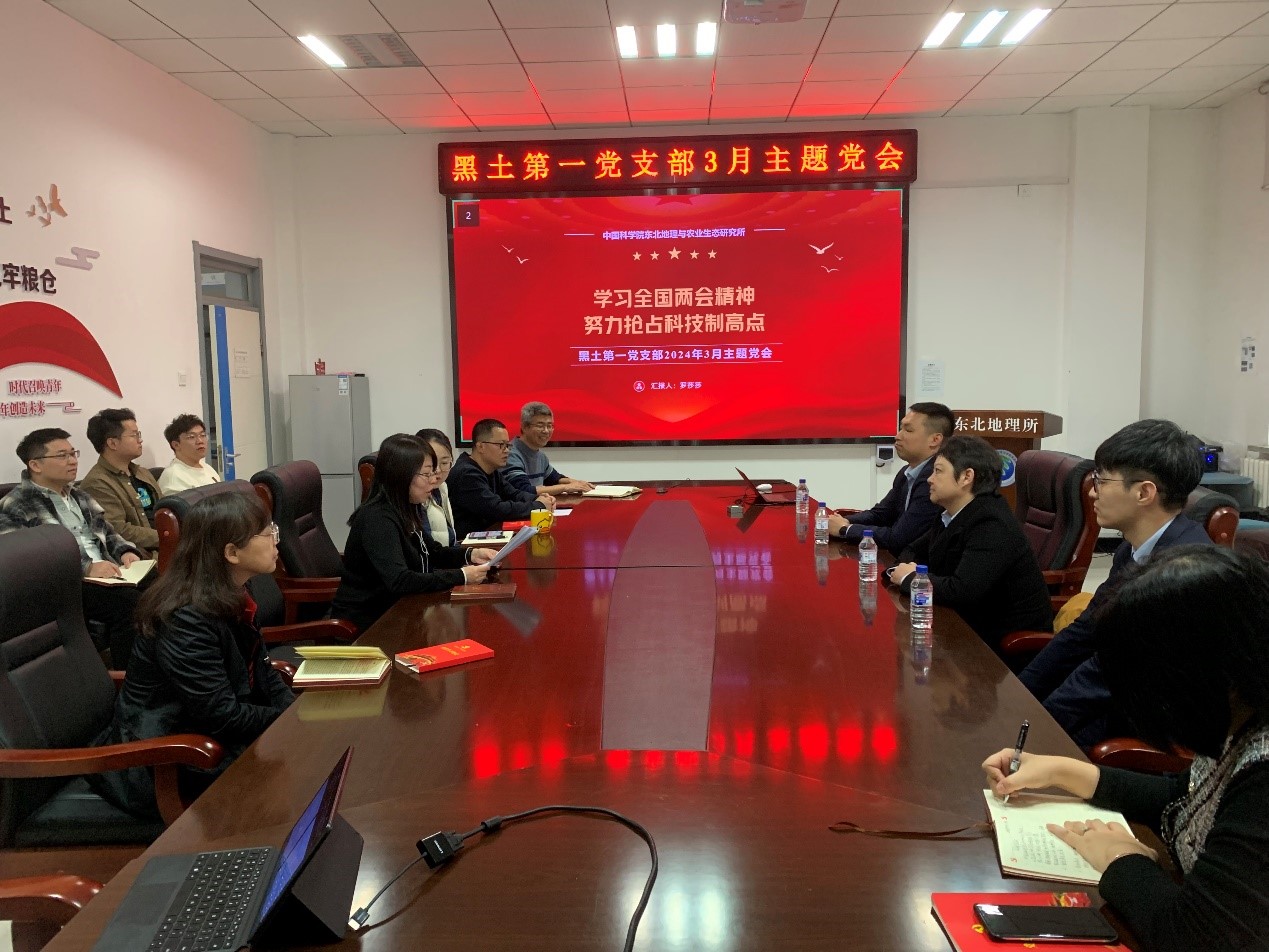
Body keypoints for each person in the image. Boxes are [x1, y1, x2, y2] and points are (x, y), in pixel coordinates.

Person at [983, 546, 1269, 951]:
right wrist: (1063, 772)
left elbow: (1195, 936)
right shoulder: (1242, 709)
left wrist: (1119, 857)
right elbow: (1187, 797)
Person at [88, 491, 295, 821]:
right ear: (231, 552)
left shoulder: (233, 589)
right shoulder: (185, 617)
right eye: (267, 533)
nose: (276, 541)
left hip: (212, 737)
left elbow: (262, 668)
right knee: (293, 795)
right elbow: (221, 715)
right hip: (167, 758)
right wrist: (290, 721)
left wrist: (294, 713)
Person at [1019, 419, 1208, 746]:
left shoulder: (1181, 571)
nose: (1092, 491)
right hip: (1120, 698)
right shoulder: (1130, 550)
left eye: (1102, 480)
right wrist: (1020, 695)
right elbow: (1085, 632)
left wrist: (1036, 728)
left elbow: (1109, 670)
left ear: (1144, 492)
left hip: (1158, 725)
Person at [889, 434, 1053, 648]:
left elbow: (961, 591)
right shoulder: (950, 513)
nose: (929, 479)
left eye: (938, 471)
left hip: (1003, 647)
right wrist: (908, 570)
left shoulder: (991, 523)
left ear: (967, 477)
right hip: (963, 626)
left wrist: (909, 578)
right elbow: (912, 549)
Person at [0, 427, 144, 666]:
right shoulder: (15, 504)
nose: (73, 461)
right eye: (62, 456)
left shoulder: (80, 495)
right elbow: (23, 562)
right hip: (68, 584)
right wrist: (86, 568)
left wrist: (125, 551)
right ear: (35, 465)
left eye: (73, 453)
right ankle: (129, 677)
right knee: (129, 604)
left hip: (110, 573)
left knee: (165, 589)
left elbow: (108, 532)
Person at [333, 434, 497, 631]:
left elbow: (432, 552)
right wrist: (461, 576)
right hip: (371, 623)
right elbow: (400, 581)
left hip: (403, 610)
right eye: (426, 474)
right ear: (401, 476)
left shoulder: (406, 507)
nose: (434, 480)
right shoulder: (377, 519)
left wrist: (471, 554)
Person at [828, 402, 954, 556]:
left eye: (908, 430)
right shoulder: (907, 472)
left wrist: (845, 529)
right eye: (900, 428)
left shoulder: (935, 480)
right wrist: (842, 521)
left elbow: (898, 538)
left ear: (935, 440)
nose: (898, 436)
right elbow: (881, 514)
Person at [447, 418, 553, 540]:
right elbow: (497, 510)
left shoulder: (491, 470)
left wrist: (540, 498)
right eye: (501, 445)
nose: (507, 451)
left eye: (507, 445)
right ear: (481, 446)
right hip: (467, 545)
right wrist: (538, 505)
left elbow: (514, 494)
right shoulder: (467, 474)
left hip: (488, 538)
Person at [79, 408, 163, 557]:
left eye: (139, 434)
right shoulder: (97, 483)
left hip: (169, 545)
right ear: (112, 443)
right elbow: (117, 529)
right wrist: (168, 536)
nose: (140, 440)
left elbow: (165, 507)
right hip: (142, 556)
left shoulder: (142, 472)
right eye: (134, 435)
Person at [504, 401, 594, 497]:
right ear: (524, 427)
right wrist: (566, 487)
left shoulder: (540, 455)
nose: (546, 431)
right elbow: (524, 490)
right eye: (540, 426)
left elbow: (555, 479)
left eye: (549, 426)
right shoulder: (510, 453)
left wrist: (578, 483)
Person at [157, 413, 221, 494]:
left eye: (203, 435)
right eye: (191, 437)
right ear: (176, 445)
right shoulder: (173, 477)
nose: (200, 441)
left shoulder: (206, 467)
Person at [416, 428, 458, 547]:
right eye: (432, 463)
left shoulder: (441, 488)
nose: (438, 470)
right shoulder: (416, 497)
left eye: (444, 463)